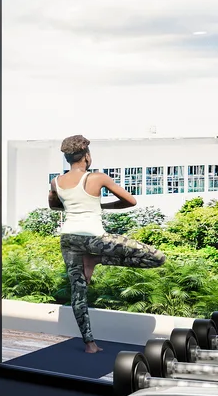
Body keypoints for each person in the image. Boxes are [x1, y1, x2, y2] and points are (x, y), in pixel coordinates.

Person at [50, 134, 165, 354]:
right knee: (156, 257)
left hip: (68, 239)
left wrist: (75, 205)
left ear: (67, 158)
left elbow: (55, 205)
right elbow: (130, 201)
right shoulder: (97, 178)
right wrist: (102, 206)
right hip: (94, 238)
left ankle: (90, 345)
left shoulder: (56, 181)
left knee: (78, 292)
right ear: (86, 156)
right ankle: (96, 258)